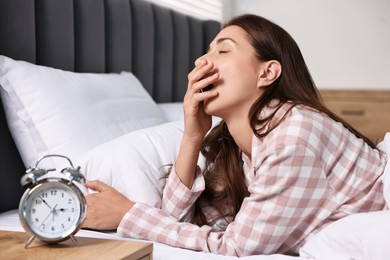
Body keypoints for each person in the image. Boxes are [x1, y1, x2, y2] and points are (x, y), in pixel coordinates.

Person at [83, 14, 388, 256]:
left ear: (266, 73)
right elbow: (176, 221)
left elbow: (236, 246)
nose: (201, 63)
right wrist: (191, 138)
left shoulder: (294, 132)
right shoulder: (238, 150)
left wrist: (127, 215)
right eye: (205, 53)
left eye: (223, 50)